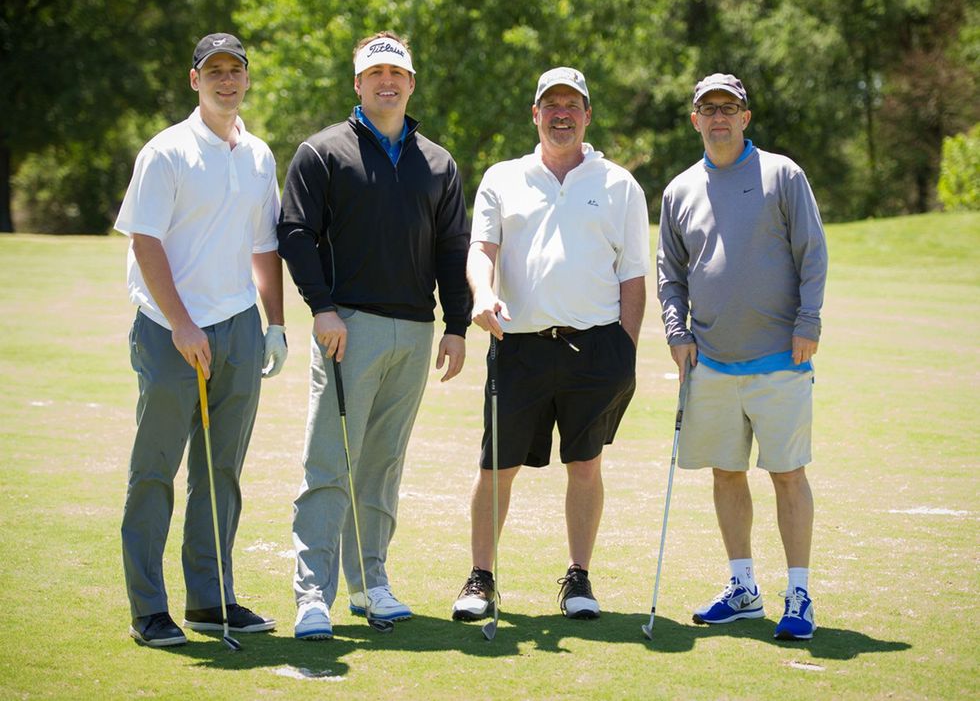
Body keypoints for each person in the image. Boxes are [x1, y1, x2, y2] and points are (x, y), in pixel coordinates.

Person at [278, 31, 471, 640]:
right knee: (330, 462)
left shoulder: (438, 161)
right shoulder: (322, 152)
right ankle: (314, 595)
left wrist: (458, 325)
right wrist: (322, 308)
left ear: (411, 84)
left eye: (398, 73)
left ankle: (370, 583)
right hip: (348, 327)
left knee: (384, 464)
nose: (387, 82)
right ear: (357, 83)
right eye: (375, 73)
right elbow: (295, 234)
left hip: (415, 330)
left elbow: (452, 248)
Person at [451, 67, 649, 622]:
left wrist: (624, 352)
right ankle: (481, 578)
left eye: (573, 105)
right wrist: (483, 294)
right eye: (551, 105)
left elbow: (633, 275)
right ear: (535, 114)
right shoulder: (503, 177)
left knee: (585, 465)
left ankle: (579, 578)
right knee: (496, 467)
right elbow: (481, 249)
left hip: (596, 349)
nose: (562, 113)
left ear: (587, 115)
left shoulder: (620, 186)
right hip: (518, 346)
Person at [116, 33, 286, 647]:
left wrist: (275, 324)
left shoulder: (260, 155)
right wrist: (183, 322)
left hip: (238, 325)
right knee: (155, 471)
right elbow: (144, 241)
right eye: (213, 71)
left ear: (246, 79)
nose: (226, 81)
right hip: (169, 330)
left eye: (235, 71)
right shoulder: (165, 152)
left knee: (221, 474)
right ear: (195, 80)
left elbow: (265, 246)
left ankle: (211, 602)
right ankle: (148, 608)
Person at [657, 73, 828, 640]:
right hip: (711, 363)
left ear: (746, 117)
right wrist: (677, 332)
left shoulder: (783, 174)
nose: (719, 117)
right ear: (695, 120)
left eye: (729, 107)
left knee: (787, 475)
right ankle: (744, 588)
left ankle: (798, 593)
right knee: (726, 474)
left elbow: (812, 252)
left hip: (780, 357)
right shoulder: (680, 190)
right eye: (709, 109)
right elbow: (671, 275)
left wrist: (808, 322)